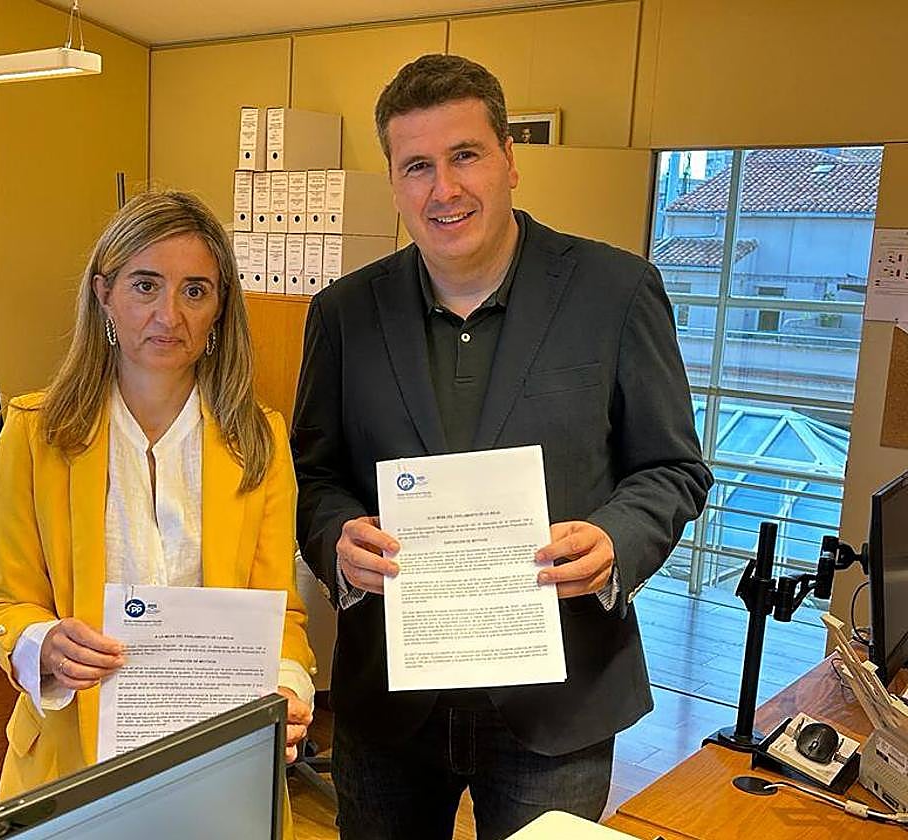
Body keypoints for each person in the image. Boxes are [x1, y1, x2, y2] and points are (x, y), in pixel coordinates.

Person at [291, 54, 712, 839]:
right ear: (394, 182)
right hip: (390, 699)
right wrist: (337, 539)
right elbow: (315, 476)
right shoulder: (344, 314)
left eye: (465, 155)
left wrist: (615, 541)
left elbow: (673, 467)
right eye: (417, 166)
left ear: (510, 160)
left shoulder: (616, 291)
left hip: (559, 700)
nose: (443, 189)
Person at [0, 191, 316, 827]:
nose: (170, 314)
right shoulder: (34, 432)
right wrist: (43, 644)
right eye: (145, 285)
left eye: (195, 291)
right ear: (104, 294)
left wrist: (288, 690)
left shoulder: (258, 438)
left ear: (220, 307)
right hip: (72, 760)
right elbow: (7, 604)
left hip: (219, 756)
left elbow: (281, 614)